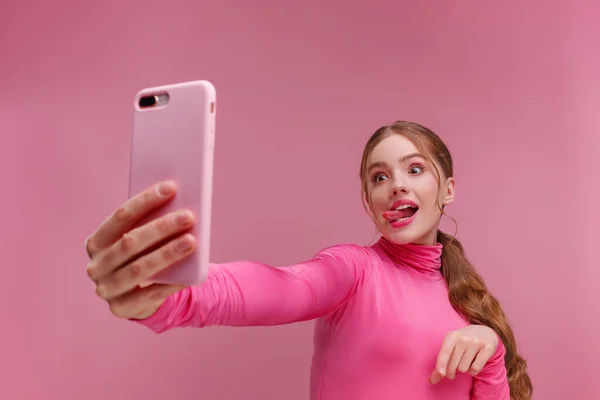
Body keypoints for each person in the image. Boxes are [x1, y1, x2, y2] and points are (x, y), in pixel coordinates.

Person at [85, 121, 532, 399]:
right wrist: (168, 295)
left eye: (414, 169)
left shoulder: (467, 303)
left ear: (448, 189)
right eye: (380, 177)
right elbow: (277, 288)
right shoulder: (353, 270)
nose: (396, 184)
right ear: (368, 200)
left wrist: (491, 351)